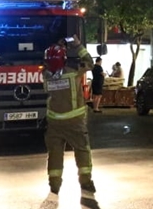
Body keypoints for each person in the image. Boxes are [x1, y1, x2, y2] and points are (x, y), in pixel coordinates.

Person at [42, 37, 96, 195]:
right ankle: (85, 182)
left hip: (54, 122)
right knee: (82, 150)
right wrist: (76, 44)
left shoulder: (45, 76)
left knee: (55, 153)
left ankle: (54, 184)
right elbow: (89, 62)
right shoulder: (74, 73)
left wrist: (56, 49)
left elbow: (48, 65)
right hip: (75, 121)